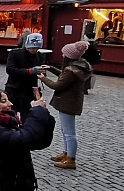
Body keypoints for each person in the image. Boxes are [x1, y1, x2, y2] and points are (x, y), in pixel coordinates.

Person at [38, 41, 92, 170]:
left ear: (69, 56)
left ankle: (71, 159)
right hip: (70, 101)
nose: (62, 56)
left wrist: (42, 78)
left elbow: (57, 85)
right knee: (65, 130)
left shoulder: (71, 70)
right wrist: (51, 68)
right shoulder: (78, 67)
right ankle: (67, 153)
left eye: (64, 54)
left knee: (69, 132)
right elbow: (64, 76)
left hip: (68, 102)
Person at [5, 32, 47, 123]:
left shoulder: (40, 56)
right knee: (11, 116)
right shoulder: (15, 53)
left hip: (30, 92)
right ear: (27, 45)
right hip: (15, 90)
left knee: (28, 118)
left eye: (37, 48)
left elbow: (39, 73)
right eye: (32, 47)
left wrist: (42, 73)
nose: (34, 50)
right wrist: (29, 71)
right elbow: (10, 69)